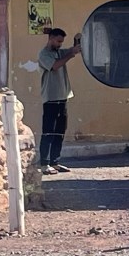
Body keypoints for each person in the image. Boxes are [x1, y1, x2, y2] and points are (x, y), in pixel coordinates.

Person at [38, 28, 82, 175]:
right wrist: (70, 54)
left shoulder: (59, 52)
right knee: (48, 132)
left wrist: (76, 47)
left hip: (63, 97)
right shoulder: (44, 54)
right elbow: (55, 66)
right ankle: (44, 163)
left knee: (59, 133)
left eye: (61, 42)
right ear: (50, 38)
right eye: (58, 41)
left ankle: (55, 162)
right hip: (51, 98)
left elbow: (72, 51)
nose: (59, 44)